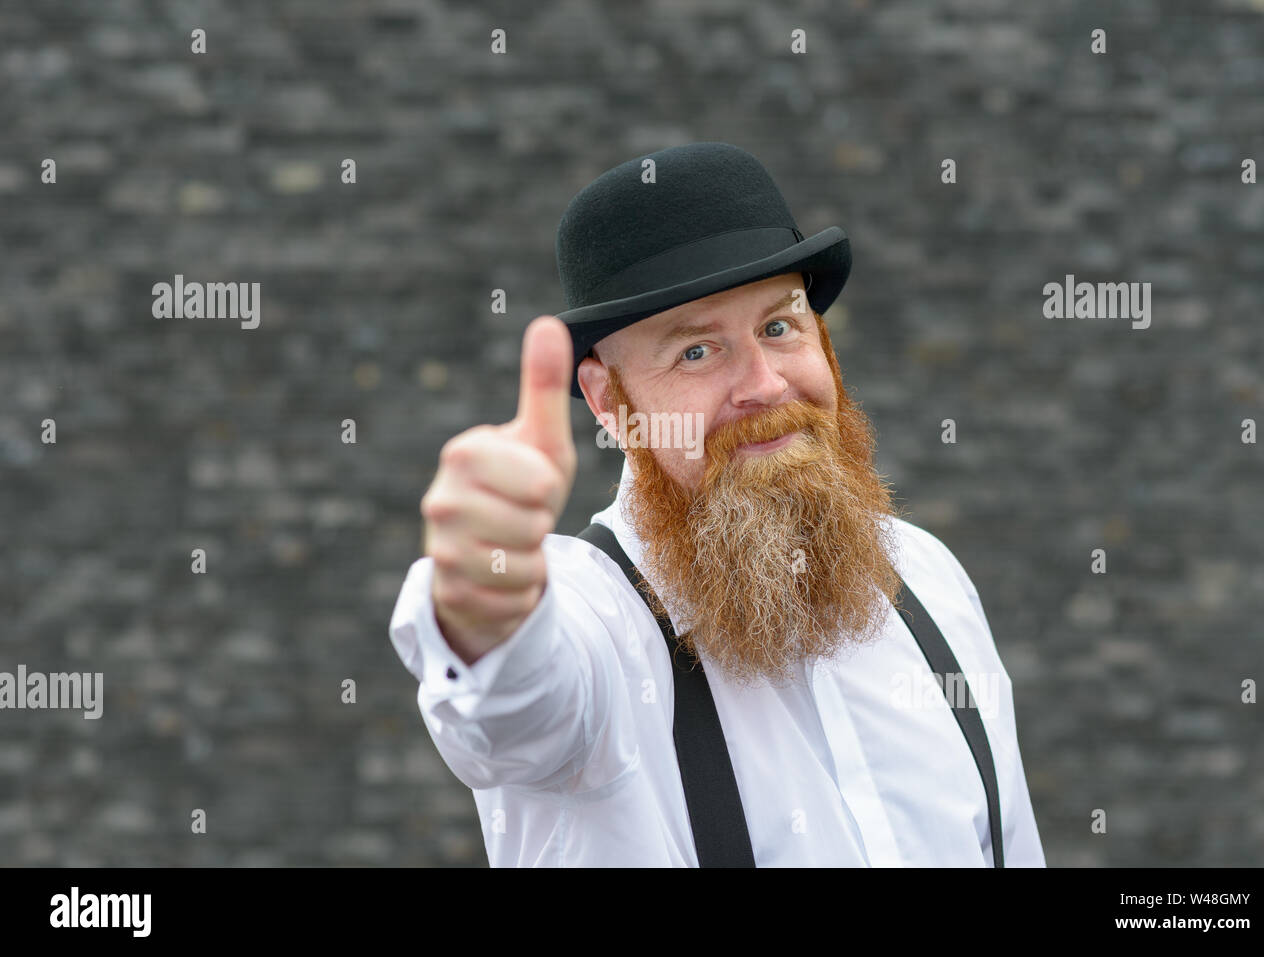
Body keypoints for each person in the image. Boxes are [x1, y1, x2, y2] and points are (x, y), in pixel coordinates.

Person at [389, 142, 1046, 866]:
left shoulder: (929, 578)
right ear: (611, 402)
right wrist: (486, 603)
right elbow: (511, 707)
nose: (763, 385)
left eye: (777, 327)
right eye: (696, 352)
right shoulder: (596, 630)